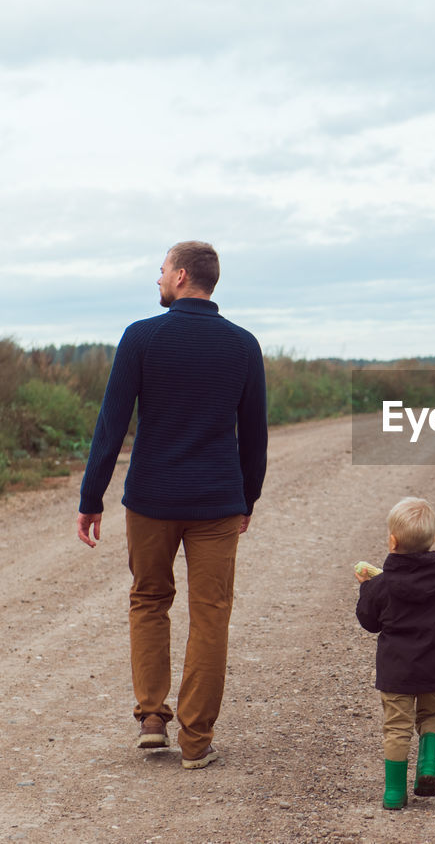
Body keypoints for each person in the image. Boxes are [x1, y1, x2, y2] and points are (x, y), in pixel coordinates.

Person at [75, 241, 267, 770]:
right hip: (217, 504)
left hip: (152, 501)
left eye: (161, 270)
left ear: (181, 276)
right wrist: (247, 497)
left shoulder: (141, 338)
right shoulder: (243, 346)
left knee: (148, 600)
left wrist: (91, 499)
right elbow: (254, 437)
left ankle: (153, 718)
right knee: (210, 616)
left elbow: (111, 426)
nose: (157, 278)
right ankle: (196, 740)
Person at [355, 497, 435, 810]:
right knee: (432, 715)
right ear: (432, 541)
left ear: (392, 541)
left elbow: (369, 622)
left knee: (396, 727)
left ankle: (394, 793)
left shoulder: (381, 585)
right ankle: (426, 767)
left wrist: (365, 589)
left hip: (397, 671)